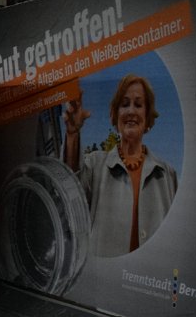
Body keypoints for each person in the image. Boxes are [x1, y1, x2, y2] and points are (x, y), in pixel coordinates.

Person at [64, 74, 178, 257]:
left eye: (138, 104)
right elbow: (70, 193)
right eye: (124, 104)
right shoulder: (95, 164)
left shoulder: (168, 175)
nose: (131, 111)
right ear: (115, 114)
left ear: (147, 117)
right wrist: (72, 135)